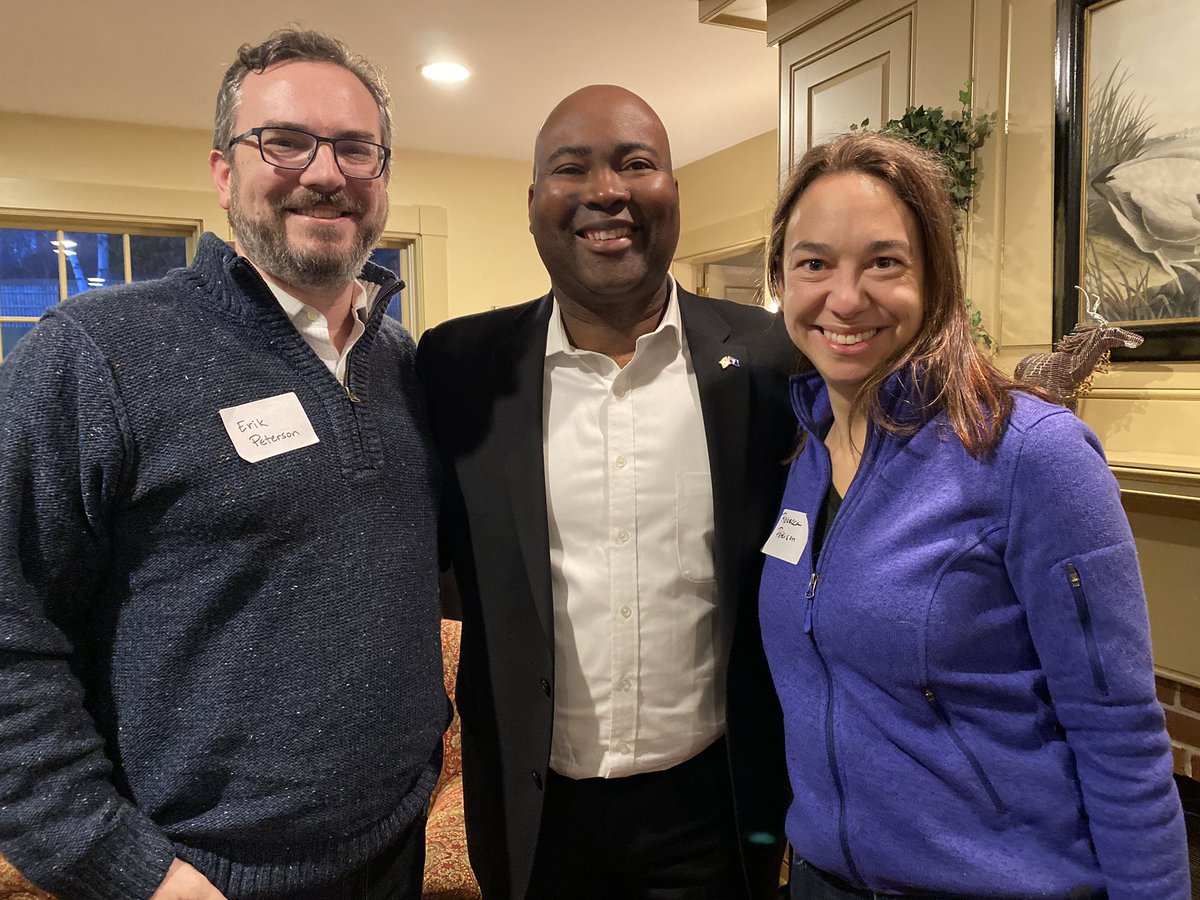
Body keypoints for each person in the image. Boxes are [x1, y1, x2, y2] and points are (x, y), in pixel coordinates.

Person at [0, 28, 447, 900]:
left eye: (356, 148)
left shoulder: (402, 362)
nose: (325, 173)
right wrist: (126, 869)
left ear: (383, 176)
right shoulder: (95, 354)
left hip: (395, 852)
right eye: (285, 142)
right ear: (221, 171)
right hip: (197, 879)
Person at [759, 131, 1190, 898]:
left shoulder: (1031, 454)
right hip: (822, 881)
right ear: (780, 281)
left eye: (884, 262)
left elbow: (1119, 735)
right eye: (813, 263)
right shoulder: (802, 453)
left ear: (936, 279)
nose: (845, 298)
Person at [417, 85, 797, 899]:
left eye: (635, 163)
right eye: (571, 168)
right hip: (534, 816)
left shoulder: (770, 358)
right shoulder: (457, 368)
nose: (606, 191)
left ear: (673, 192)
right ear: (532, 204)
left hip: (717, 810)